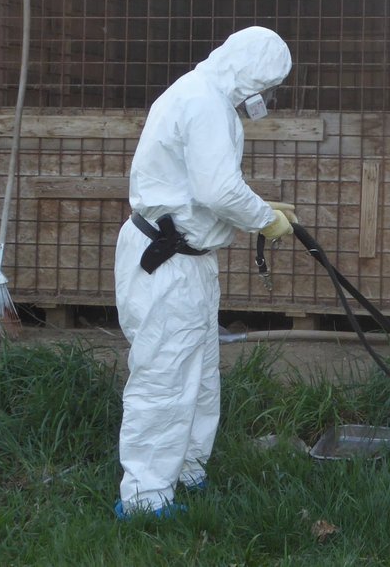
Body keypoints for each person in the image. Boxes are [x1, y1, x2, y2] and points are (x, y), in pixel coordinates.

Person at [113, 26, 299, 518]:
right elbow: (217, 192)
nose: (266, 96)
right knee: (165, 377)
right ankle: (146, 499)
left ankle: (187, 471)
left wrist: (260, 206)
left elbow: (198, 187)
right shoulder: (208, 104)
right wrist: (265, 219)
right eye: (270, 83)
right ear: (254, 73)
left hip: (182, 258)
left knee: (197, 373)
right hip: (168, 262)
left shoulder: (197, 92)